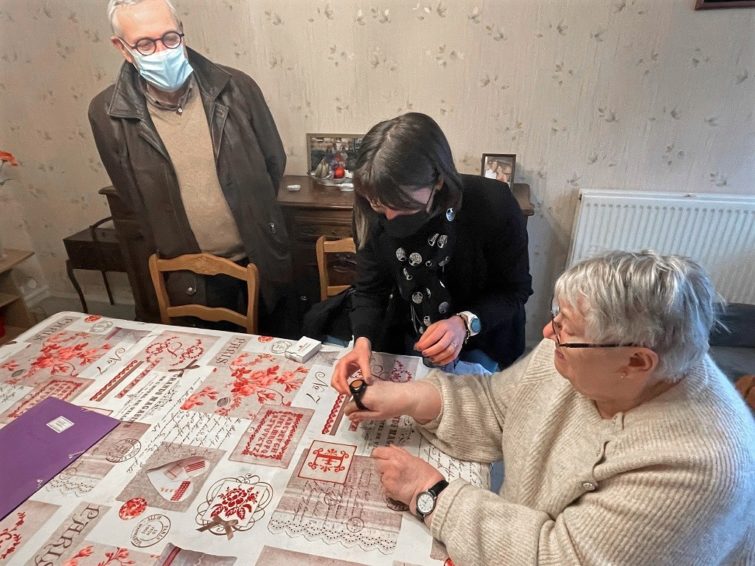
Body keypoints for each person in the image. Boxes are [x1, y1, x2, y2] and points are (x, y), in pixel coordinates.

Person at [333, 250, 755, 565]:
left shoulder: (699, 467)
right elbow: (498, 408)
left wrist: (430, 494)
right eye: (558, 315)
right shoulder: (583, 353)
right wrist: (407, 398)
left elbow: (556, 558)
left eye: (567, 328)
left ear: (636, 362)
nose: (547, 332)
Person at [89, 0, 293, 336]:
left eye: (170, 38)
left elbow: (273, 161)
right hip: (190, 272)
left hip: (260, 257)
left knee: (277, 356)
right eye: (145, 43)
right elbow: (132, 193)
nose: (162, 51)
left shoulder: (237, 88)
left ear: (182, 32)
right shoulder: (106, 113)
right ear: (122, 48)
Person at [331, 112, 531, 387]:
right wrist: (362, 341)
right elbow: (370, 289)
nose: (388, 216)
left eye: (402, 204)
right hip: (410, 328)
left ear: (438, 180)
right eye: (379, 203)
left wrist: (462, 323)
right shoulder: (369, 209)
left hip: (482, 334)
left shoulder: (492, 205)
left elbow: (514, 290)